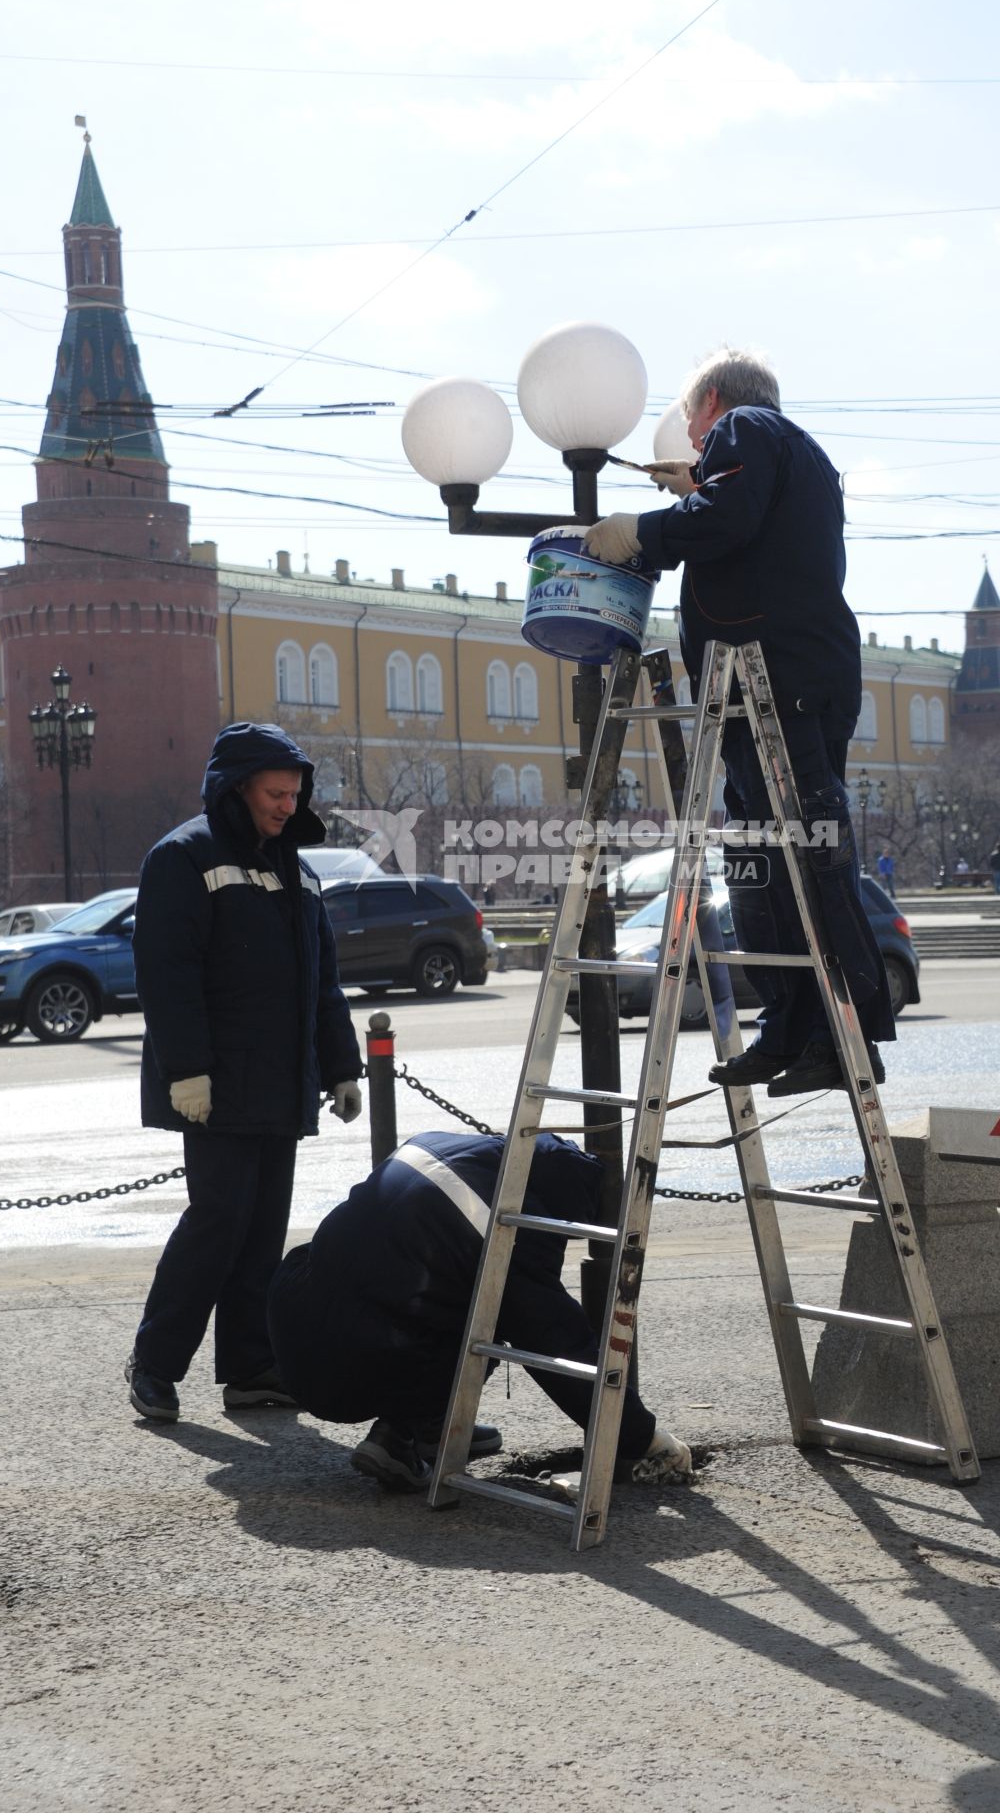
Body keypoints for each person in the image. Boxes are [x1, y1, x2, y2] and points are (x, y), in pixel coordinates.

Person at [583, 347, 893, 1098]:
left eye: (692, 422)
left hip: (778, 682)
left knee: (807, 854)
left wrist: (644, 532)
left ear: (713, 400)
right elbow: (747, 518)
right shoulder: (787, 453)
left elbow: (730, 517)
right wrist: (695, 489)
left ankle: (840, 1033)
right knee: (760, 866)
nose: (691, 439)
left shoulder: (748, 424)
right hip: (775, 684)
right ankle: (786, 1027)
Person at [125, 722, 364, 1424]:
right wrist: (188, 1071)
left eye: (294, 794)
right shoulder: (181, 857)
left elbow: (323, 982)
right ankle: (156, 1364)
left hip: (282, 1082)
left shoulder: (298, 868)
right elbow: (167, 977)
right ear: (236, 790)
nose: (288, 806)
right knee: (218, 1223)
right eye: (275, 793)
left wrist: (341, 1066)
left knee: (263, 1230)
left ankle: (251, 1368)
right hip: (217, 1086)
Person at [267, 1130, 693, 1492]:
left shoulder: (433, 1144)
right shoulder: (508, 1236)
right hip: (350, 1372)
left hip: (288, 1326)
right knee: (484, 1317)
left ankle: (426, 1428)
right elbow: (562, 1352)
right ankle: (408, 1432)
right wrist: (644, 1439)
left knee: (406, 1283)